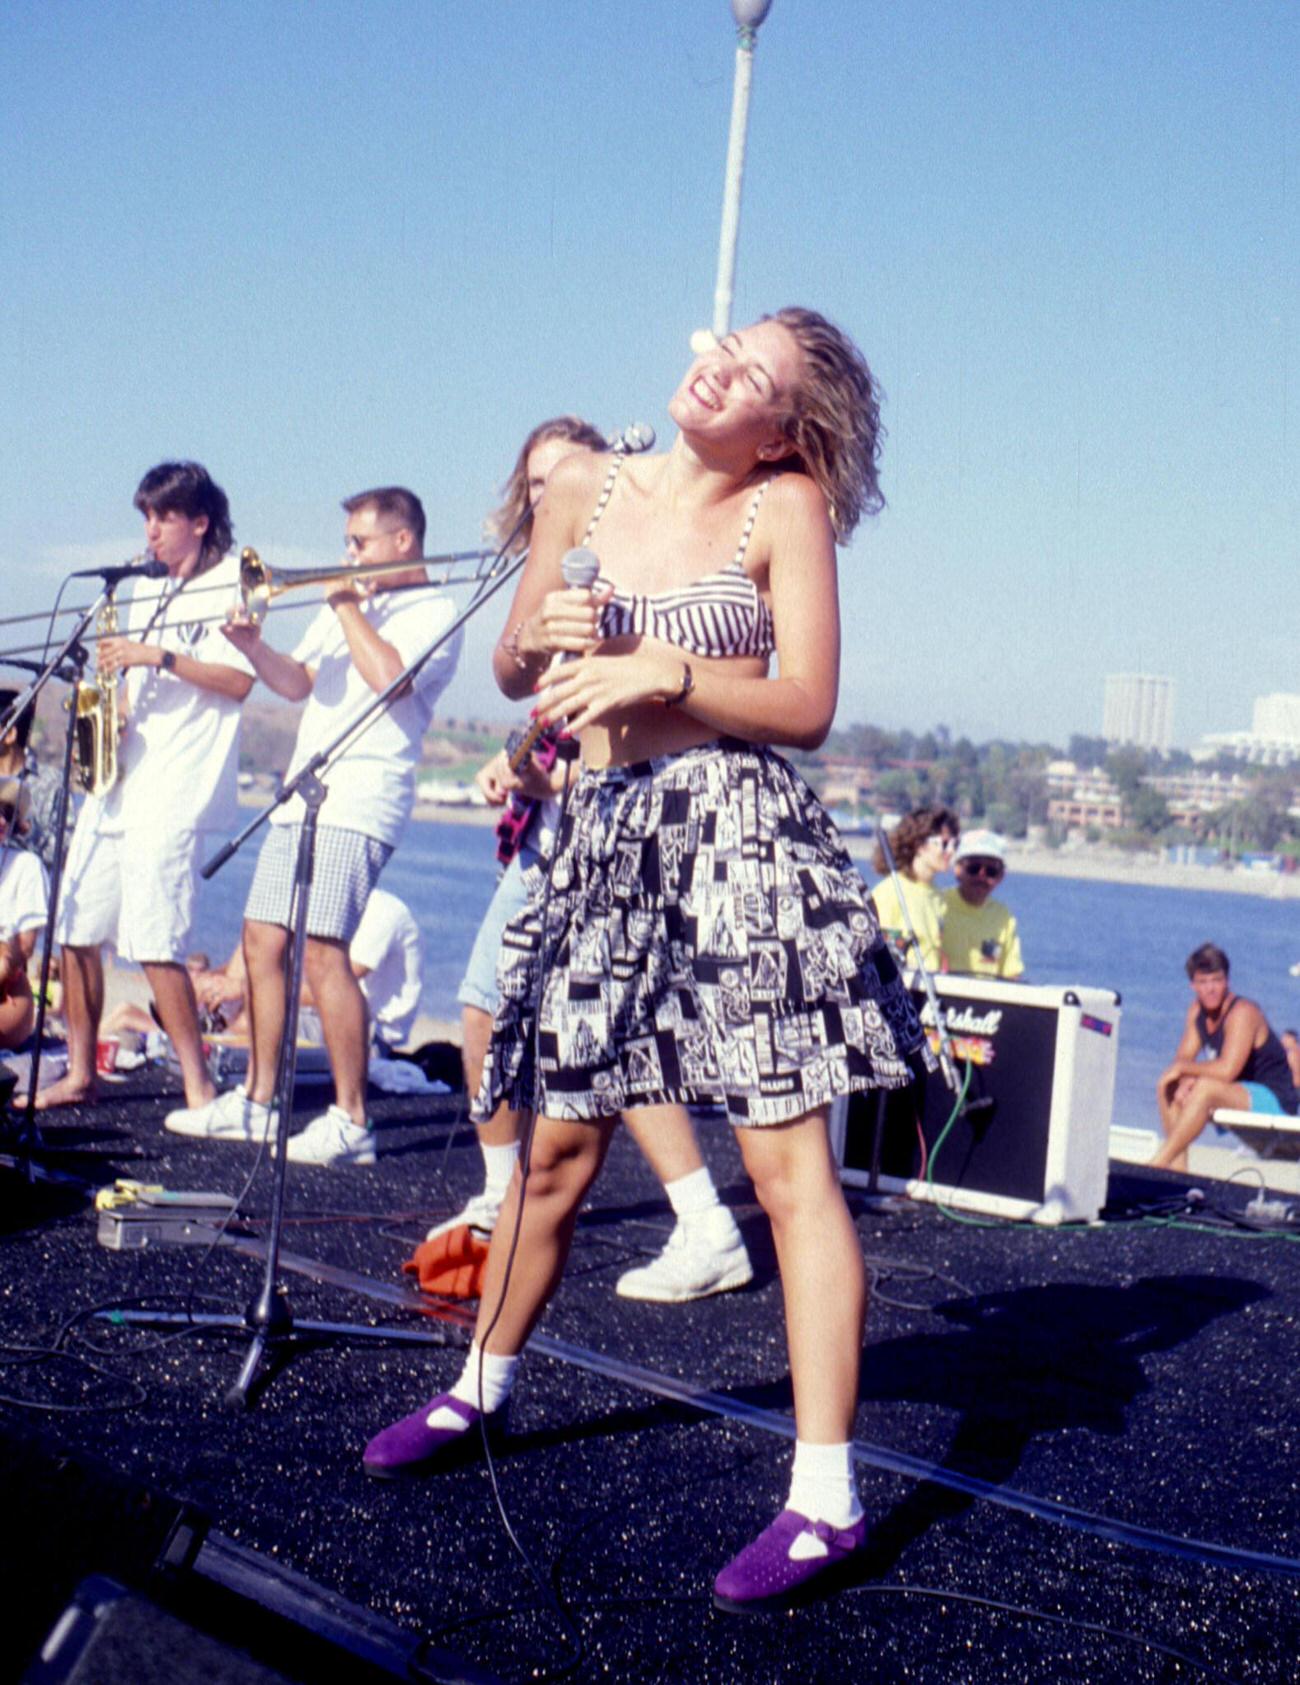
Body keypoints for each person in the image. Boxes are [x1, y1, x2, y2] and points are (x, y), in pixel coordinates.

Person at [363, 310, 929, 1612]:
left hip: (734, 840)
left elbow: (805, 704)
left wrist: (659, 668)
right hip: (600, 838)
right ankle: (478, 1394)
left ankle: (825, 1498)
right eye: (725, 340)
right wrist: (553, 640)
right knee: (556, 1153)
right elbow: (514, 667)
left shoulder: (783, 511)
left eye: (758, 375)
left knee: (789, 1180)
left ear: (786, 427)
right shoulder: (580, 482)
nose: (718, 364)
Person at [440, 416, 752, 1304]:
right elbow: (543, 701)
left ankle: (693, 1219)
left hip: (612, 824)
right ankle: (533, 1196)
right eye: (535, 488)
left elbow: (632, 729)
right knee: (521, 1015)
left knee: (594, 1031)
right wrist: (525, 755)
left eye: (561, 483)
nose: (546, 501)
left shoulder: (628, 568)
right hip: (561, 821)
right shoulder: (556, 578)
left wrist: (555, 766)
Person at [166, 487, 460, 1165]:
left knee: (324, 950)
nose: (346, 556)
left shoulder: (435, 608)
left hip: (362, 798)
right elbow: (298, 683)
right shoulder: (355, 605)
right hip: (305, 791)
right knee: (261, 939)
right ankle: (258, 1102)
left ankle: (351, 1119)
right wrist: (252, 646)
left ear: (402, 542)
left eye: (359, 543)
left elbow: (391, 679)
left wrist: (346, 602)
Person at [25, 461, 254, 1110]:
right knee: (73, 923)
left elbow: (239, 682)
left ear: (198, 522)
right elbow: (129, 685)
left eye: (163, 518)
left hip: (177, 789)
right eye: (145, 518)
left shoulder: (233, 580)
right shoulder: (141, 587)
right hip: (119, 785)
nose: (149, 531)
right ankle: (79, 1071)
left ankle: (199, 1085)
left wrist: (157, 657)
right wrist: (110, 714)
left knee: (156, 939)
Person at [1151, 943, 1299, 1172]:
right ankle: (1178, 1173)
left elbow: (1228, 1069)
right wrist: (1182, 1078)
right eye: (1203, 982)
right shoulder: (1197, 1012)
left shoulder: (1243, 1013)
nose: (1210, 989)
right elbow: (1182, 1058)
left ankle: (1158, 1163)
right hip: (1239, 1092)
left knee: (1205, 1088)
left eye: (1216, 981)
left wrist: (1188, 1071)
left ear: (1227, 981)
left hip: (1274, 1099)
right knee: (1168, 1084)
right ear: (1193, 985)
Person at [869, 805, 959, 973]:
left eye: (956, 844)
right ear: (919, 844)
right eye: (945, 844)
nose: (952, 851)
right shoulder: (889, 892)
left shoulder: (938, 895)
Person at [0, 779, 48, 1050]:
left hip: (8, 995)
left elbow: (24, 948)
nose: (2, 821)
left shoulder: (26, 866)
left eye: (8, 813)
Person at [940, 828, 1024, 979]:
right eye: (974, 868)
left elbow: (1012, 974)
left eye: (991, 871)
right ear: (958, 869)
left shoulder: (1003, 916)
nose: (981, 876)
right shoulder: (939, 905)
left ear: (1001, 876)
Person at [0, 690, 61, 872]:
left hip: (30, 886)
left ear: (10, 734)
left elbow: (66, 850)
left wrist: (26, 831)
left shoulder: (51, 782)